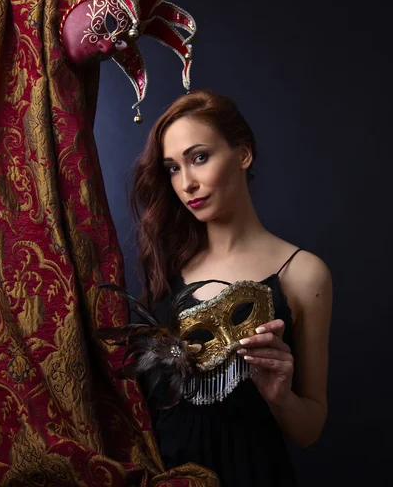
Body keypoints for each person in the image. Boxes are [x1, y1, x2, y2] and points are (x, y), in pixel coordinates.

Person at [129, 88, 333, 486]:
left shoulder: (304, 274)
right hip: (164, 475)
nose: (186, 183)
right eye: (172, 167)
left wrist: (281, 397)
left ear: (243, 153)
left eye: (199, 158)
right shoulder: (167, 264)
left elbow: (309, 430)